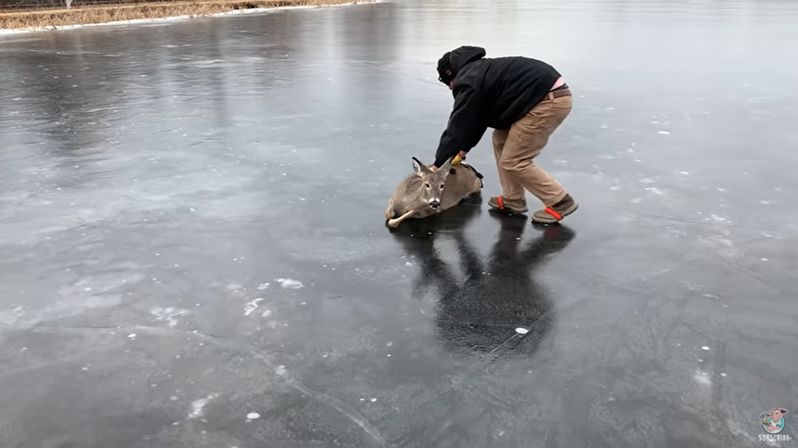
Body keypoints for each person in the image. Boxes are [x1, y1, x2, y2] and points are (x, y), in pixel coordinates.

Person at [431, 45, 577, 224]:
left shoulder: (468, 80)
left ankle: (560, 201)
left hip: (546, 101)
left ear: (450, 74)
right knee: (501, 139)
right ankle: (512, 199)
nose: (450, 88)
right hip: (538, 97)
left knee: (515, 160)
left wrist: (439, 163)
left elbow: (459, 124)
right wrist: (462, 150)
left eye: (448, 83)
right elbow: (477, 119)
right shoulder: (478, 72)